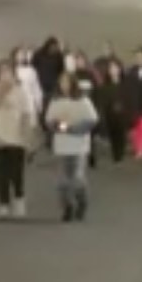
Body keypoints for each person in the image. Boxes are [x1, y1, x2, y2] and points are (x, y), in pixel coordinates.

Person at [45, 71, 99, 222]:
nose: (64, 85)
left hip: (78, 144)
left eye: (67, 82)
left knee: (77, 178)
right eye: (62, 82)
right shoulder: (56, 101)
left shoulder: (83, 101)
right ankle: (67, 206)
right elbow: (49, 120)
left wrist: (74, 128)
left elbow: (92, 119)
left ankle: (82, 202)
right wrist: (59, 126)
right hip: (62, 145)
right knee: (62, 180)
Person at [0, 60, 34, 217]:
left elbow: (26, 114)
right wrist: (1, 90)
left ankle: (19, 200)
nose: (5, 75)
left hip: (16, 136)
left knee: (16, 172)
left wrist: (27, 137)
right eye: (2, 72)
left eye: (8, 71)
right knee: (0, 173)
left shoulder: (21, 92)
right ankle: (3, 203)